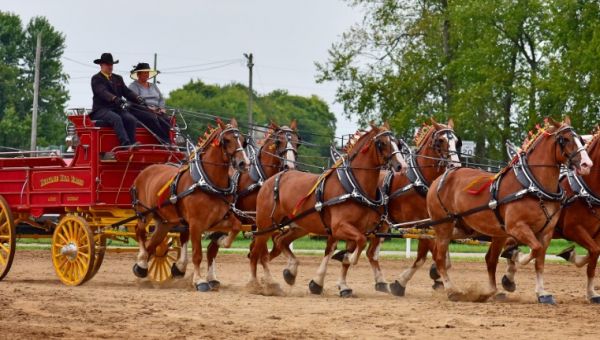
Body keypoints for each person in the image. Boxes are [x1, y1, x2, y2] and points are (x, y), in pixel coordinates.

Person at [90, 53, 146, 146]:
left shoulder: (118, 78)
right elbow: (102, 92)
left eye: (111, 64)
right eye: (107, 64)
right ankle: (125, 144)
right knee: (116, 118)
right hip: (101, 110)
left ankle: (132, 143)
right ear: (101, 65)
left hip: (116, 109)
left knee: (131, 119)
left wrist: (138, 97)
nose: (110, 66)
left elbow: (127, 92)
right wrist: (114, 98)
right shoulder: (96, 78)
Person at [128, 62, 171, 144]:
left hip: (157, 110)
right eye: (144, 73)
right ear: (138, 75)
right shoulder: (134, 86)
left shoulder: (154, 86)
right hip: (141, 110)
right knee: (152, 118)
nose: (146, 74)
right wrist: (148, 109)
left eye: (147, 73)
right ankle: (163, 141)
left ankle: (167, 140)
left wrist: (161, 108)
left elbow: (161, 99)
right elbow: (134, 102)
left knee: (166, 119)